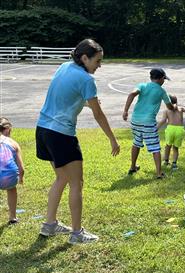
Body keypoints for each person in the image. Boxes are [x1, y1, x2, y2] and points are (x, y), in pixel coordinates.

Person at [36, 39, 120, 244]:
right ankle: (76, 233)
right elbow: (99, 114)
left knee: (61, 179)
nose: (99, 65)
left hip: (43, 130)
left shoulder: (65, 67)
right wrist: (112, 139)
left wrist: (86, 102)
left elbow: (65, 95)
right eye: (97, 61)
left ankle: (49, 225)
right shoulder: (86, 80)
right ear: (84, 58)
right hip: (62, 135)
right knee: (76, 183)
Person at [122, 68, 175, 179]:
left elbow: (132, 94)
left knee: (136, 142)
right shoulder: (162, 91)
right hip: (148, 122)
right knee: (155, 147)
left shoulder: (142, 86)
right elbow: (169, 106)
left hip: (135, 120)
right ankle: (159, 173)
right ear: (161, 79)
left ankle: (132, 167)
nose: (164, 81)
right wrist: (173, 107)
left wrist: (126, 111)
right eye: (164, 79)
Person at [0, 118, 24, 225]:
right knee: (11, 189)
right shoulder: (13, 143)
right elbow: (21, 167)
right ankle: (12, 217)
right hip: (10, 177)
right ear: (8, 129)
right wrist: (21, 178)